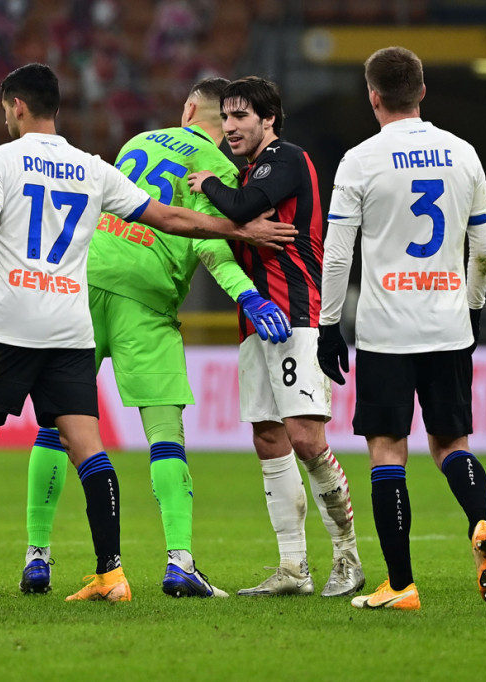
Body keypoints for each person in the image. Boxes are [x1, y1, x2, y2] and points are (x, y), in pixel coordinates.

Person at [0, 63, 296, 601]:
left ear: (16, 105)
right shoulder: (120, 166)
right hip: (100, 315)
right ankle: (140, 567)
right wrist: (241, 247)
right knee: (121, 442)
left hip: (45, 306)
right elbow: (177, 224)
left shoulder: (50, 153)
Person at [18, 77, 291, 600]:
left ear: (188, 107)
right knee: (165, 435)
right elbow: (211, 247)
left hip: (83, 284)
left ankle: (37, 556)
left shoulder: (138, 142)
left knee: (55, 425)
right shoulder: (224, 174)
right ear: (224, 121)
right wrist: (248, 296)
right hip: (146, 300)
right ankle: (179, 562)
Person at [318, 46, 486, 610]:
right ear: (422, 92)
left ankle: (400, 586)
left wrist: (328, 325)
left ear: (373, 96)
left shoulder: (360, 160)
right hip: (447, 326)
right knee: (451, 444)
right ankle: (480, 523)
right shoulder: (463, 153)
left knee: (386, 450)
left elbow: (336, 257)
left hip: (386, 332)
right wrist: (470, 308)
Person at [188, 76, 364, 598]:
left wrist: (209, 188)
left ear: (268, 120)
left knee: (306, 437)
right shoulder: (245, 171)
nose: (232, 126)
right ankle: (293, 569)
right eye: (227, 117)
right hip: (255, 321)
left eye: (242, 117)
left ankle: (348, 556)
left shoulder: (286, 158)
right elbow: (241, 220)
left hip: (295, 315)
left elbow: (242, 208)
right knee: (268, 437)